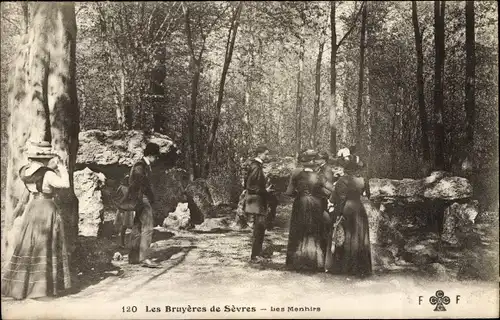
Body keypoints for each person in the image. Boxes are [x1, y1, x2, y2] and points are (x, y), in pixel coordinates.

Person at [1, 141, 71, 300]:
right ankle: (41, 289)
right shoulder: (47, 173)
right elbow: (65, 184)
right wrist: (62, 167)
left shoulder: (25, 171)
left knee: (29, 245)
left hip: (32, 208)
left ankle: (21, 287)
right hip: (46, 208)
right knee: (45, 245)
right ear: (45, 158)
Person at [285, 150, 334, 271]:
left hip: (300, 204)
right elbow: (331, 189)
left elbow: (289, 192)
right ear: (313, 163)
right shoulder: (319, 176)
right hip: (315, 205)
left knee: (299, 231)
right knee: (314, 231)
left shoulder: (296, 174)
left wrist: (299, 193)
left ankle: (296, 262)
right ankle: (315, 263)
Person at [118, 142, 161, 268]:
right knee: (148, 228)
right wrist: (150, 197)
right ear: (151, 155)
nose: (157, 159)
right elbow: (140, 184)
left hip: (140, 199)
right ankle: (144, 258)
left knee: (137, 227)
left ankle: (133, 257)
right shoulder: (140, 166)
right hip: (142, 199)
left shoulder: (142, 165)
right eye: (156, 156)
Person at [330, 156, 372, 277]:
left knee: (346, 236)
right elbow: (367, 195)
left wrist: (338, 214)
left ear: (346, 169)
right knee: (359, 236)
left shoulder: (342, 181)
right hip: (359, 208)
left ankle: (346, 267)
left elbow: (341, 199)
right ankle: (361, 267)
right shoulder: (362, 180)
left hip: (347, 209)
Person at [244, 145, 273, 262]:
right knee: (259, 228)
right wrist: (265, 191)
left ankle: (257, 253)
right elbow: (250, 185)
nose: (267, 156)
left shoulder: (255, 165)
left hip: (256, 201)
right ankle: (255, 256)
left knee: (259, 228)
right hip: (256, 202)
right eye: (266, 154)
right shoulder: (256, 166)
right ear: (259, 154)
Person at [113, 174, 133, 248]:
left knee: (129, 226)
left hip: (129, 208)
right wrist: (119, 205)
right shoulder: (121, 187)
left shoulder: (131, 188)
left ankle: (130, 243)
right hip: (123, 208)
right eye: (127, 179)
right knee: (123, 226)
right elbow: (115, 197)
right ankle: (122, 243)